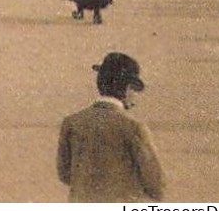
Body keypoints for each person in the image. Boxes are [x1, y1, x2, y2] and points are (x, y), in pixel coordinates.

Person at [56, 52, 165, 202]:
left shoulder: (72, 122)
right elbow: (155, 182)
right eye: (134, 89)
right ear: (127, 89)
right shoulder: (133, 128)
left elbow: (64, 174)